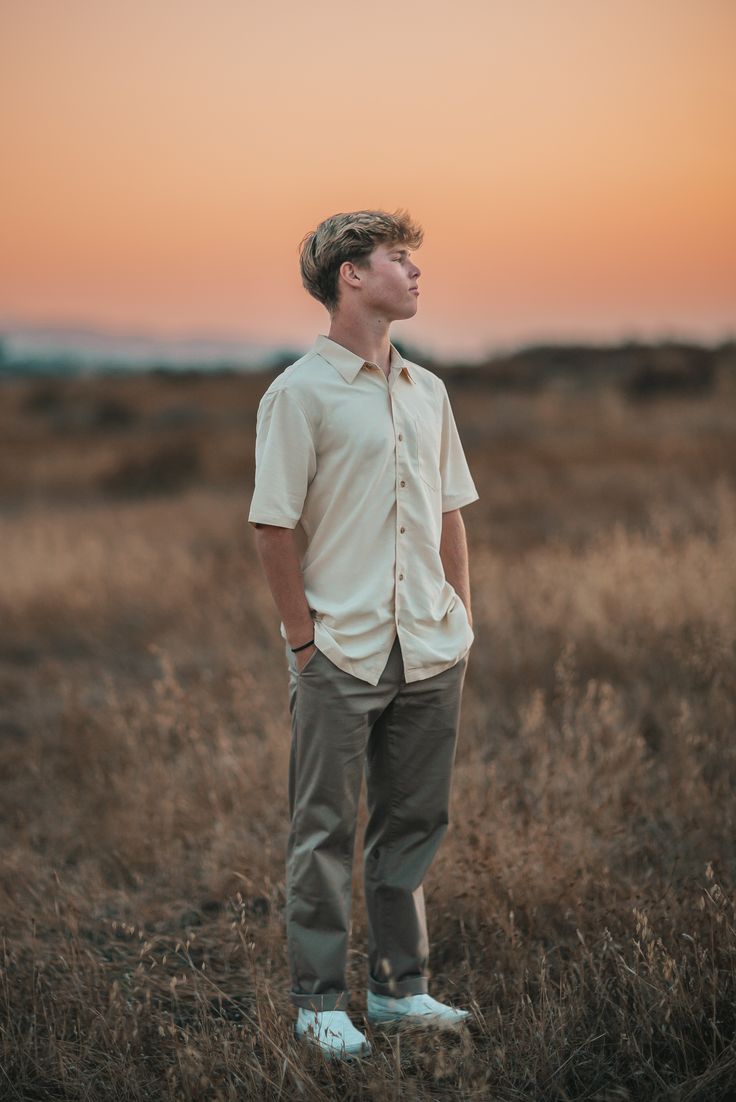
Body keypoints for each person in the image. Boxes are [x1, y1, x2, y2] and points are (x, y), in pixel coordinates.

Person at [248, 208, 479, 1059]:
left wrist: (460, 615)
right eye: (398, 258)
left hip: (429, 646)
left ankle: (398, 993)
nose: (414, 272)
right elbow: (274, 526)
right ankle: (317, 1003)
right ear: (351, 274)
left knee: (413, 825)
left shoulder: (432, 392)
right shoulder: (297, 394)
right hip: (339, 652)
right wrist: (303, 644)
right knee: (324, 830)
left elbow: (452, 510)